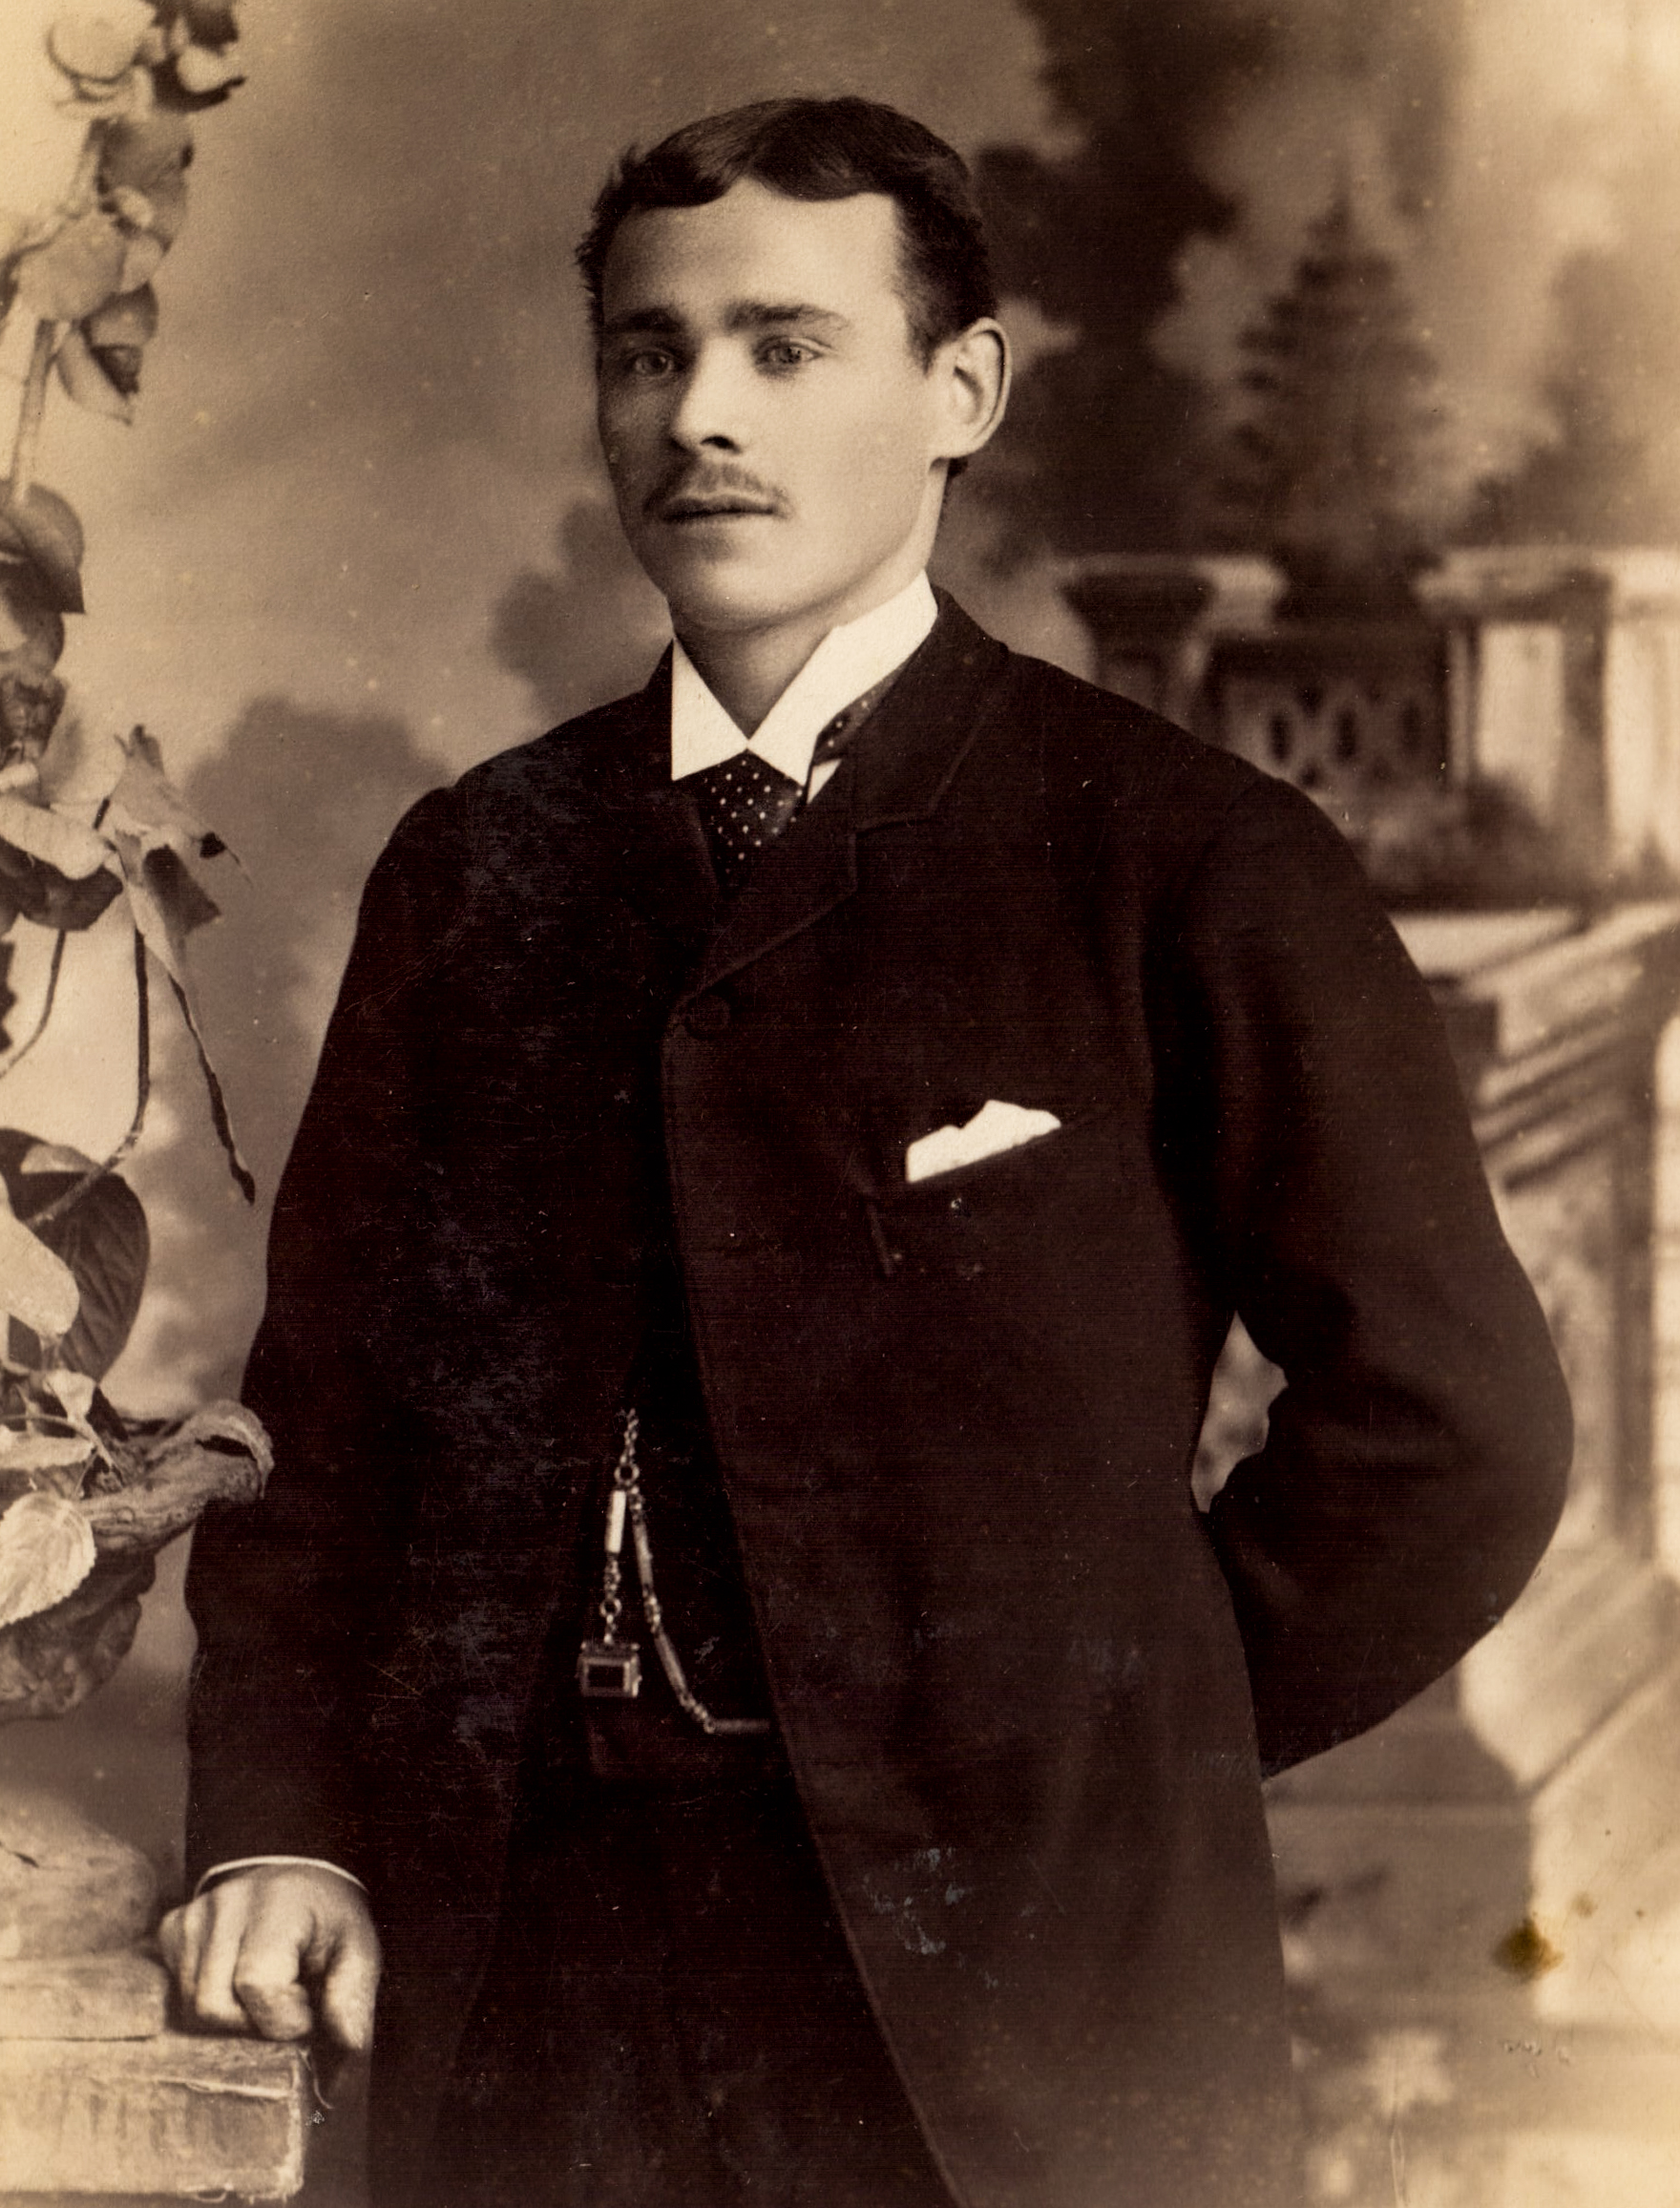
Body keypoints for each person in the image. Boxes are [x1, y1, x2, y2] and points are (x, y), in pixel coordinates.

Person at [161, 95, 1571, 2208]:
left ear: (959, 389)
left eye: (783, 345)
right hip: (540, 1980)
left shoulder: (1180, 859)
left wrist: (1094, 1752)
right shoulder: (485, 866)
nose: (698, 411)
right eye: (649, 351)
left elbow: (1449, 1429)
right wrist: (281, 1813)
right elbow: (327, 1428)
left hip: (1003, 2020)